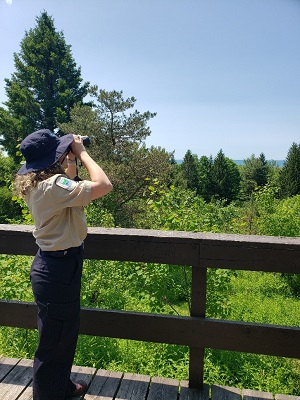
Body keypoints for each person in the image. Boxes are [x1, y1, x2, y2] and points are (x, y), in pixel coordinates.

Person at [14, 129, 113, 400]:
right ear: (52, 158)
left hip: (54, 267)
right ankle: (48, 395)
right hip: (58, 270)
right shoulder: (53, 186)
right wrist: (81, 152)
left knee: (60, 336)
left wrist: (69, 161)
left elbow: (68, 186)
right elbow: (104, 185)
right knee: (54, 341)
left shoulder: (39, 184)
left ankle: (61, 388)